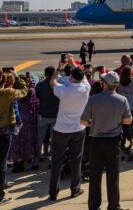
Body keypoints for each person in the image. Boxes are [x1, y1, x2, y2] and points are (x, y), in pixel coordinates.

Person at [80, 71, 133, 210]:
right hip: (113, 141)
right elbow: (128, 120)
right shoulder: (122, 100)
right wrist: (116, 120)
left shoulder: (94, 99)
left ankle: (94, 206)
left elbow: (83, 120)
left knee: (95, 176)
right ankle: (114, 205)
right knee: (113, 176)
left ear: (105, 84)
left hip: (96, 141)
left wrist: (94, 123)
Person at [49, 65, 90, 201]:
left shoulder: (64, 90)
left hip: (61, 129)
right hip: (78, 128)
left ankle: (53, 193)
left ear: (71, 77)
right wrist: (75, 65)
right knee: (76, 160)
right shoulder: (85, 88)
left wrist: (58, 70)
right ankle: (75, 189)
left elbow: (52, 82)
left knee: (56, 162)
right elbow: (83, 77)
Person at [0, 70, 28, 206]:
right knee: (2, 162)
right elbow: (24, 91)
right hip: (4, 131)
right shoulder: (7, 93)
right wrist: (17, 76)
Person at [9, 75, 39, 173]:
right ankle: (22, 163)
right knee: (25, 142)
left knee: (15, 143)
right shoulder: (29, 92)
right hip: (26, 120)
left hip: (15, 120)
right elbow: (34, 104)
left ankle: (16, 165)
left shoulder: (12, 93)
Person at [33, 66, 60, 169]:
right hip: (55, 116)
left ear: (45, 74)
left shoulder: (40, 85)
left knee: (39, 140)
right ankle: (51, 161)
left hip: (43, 115)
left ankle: (35, 162)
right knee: (54, 141)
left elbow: (38, 97)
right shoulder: (57, 85)